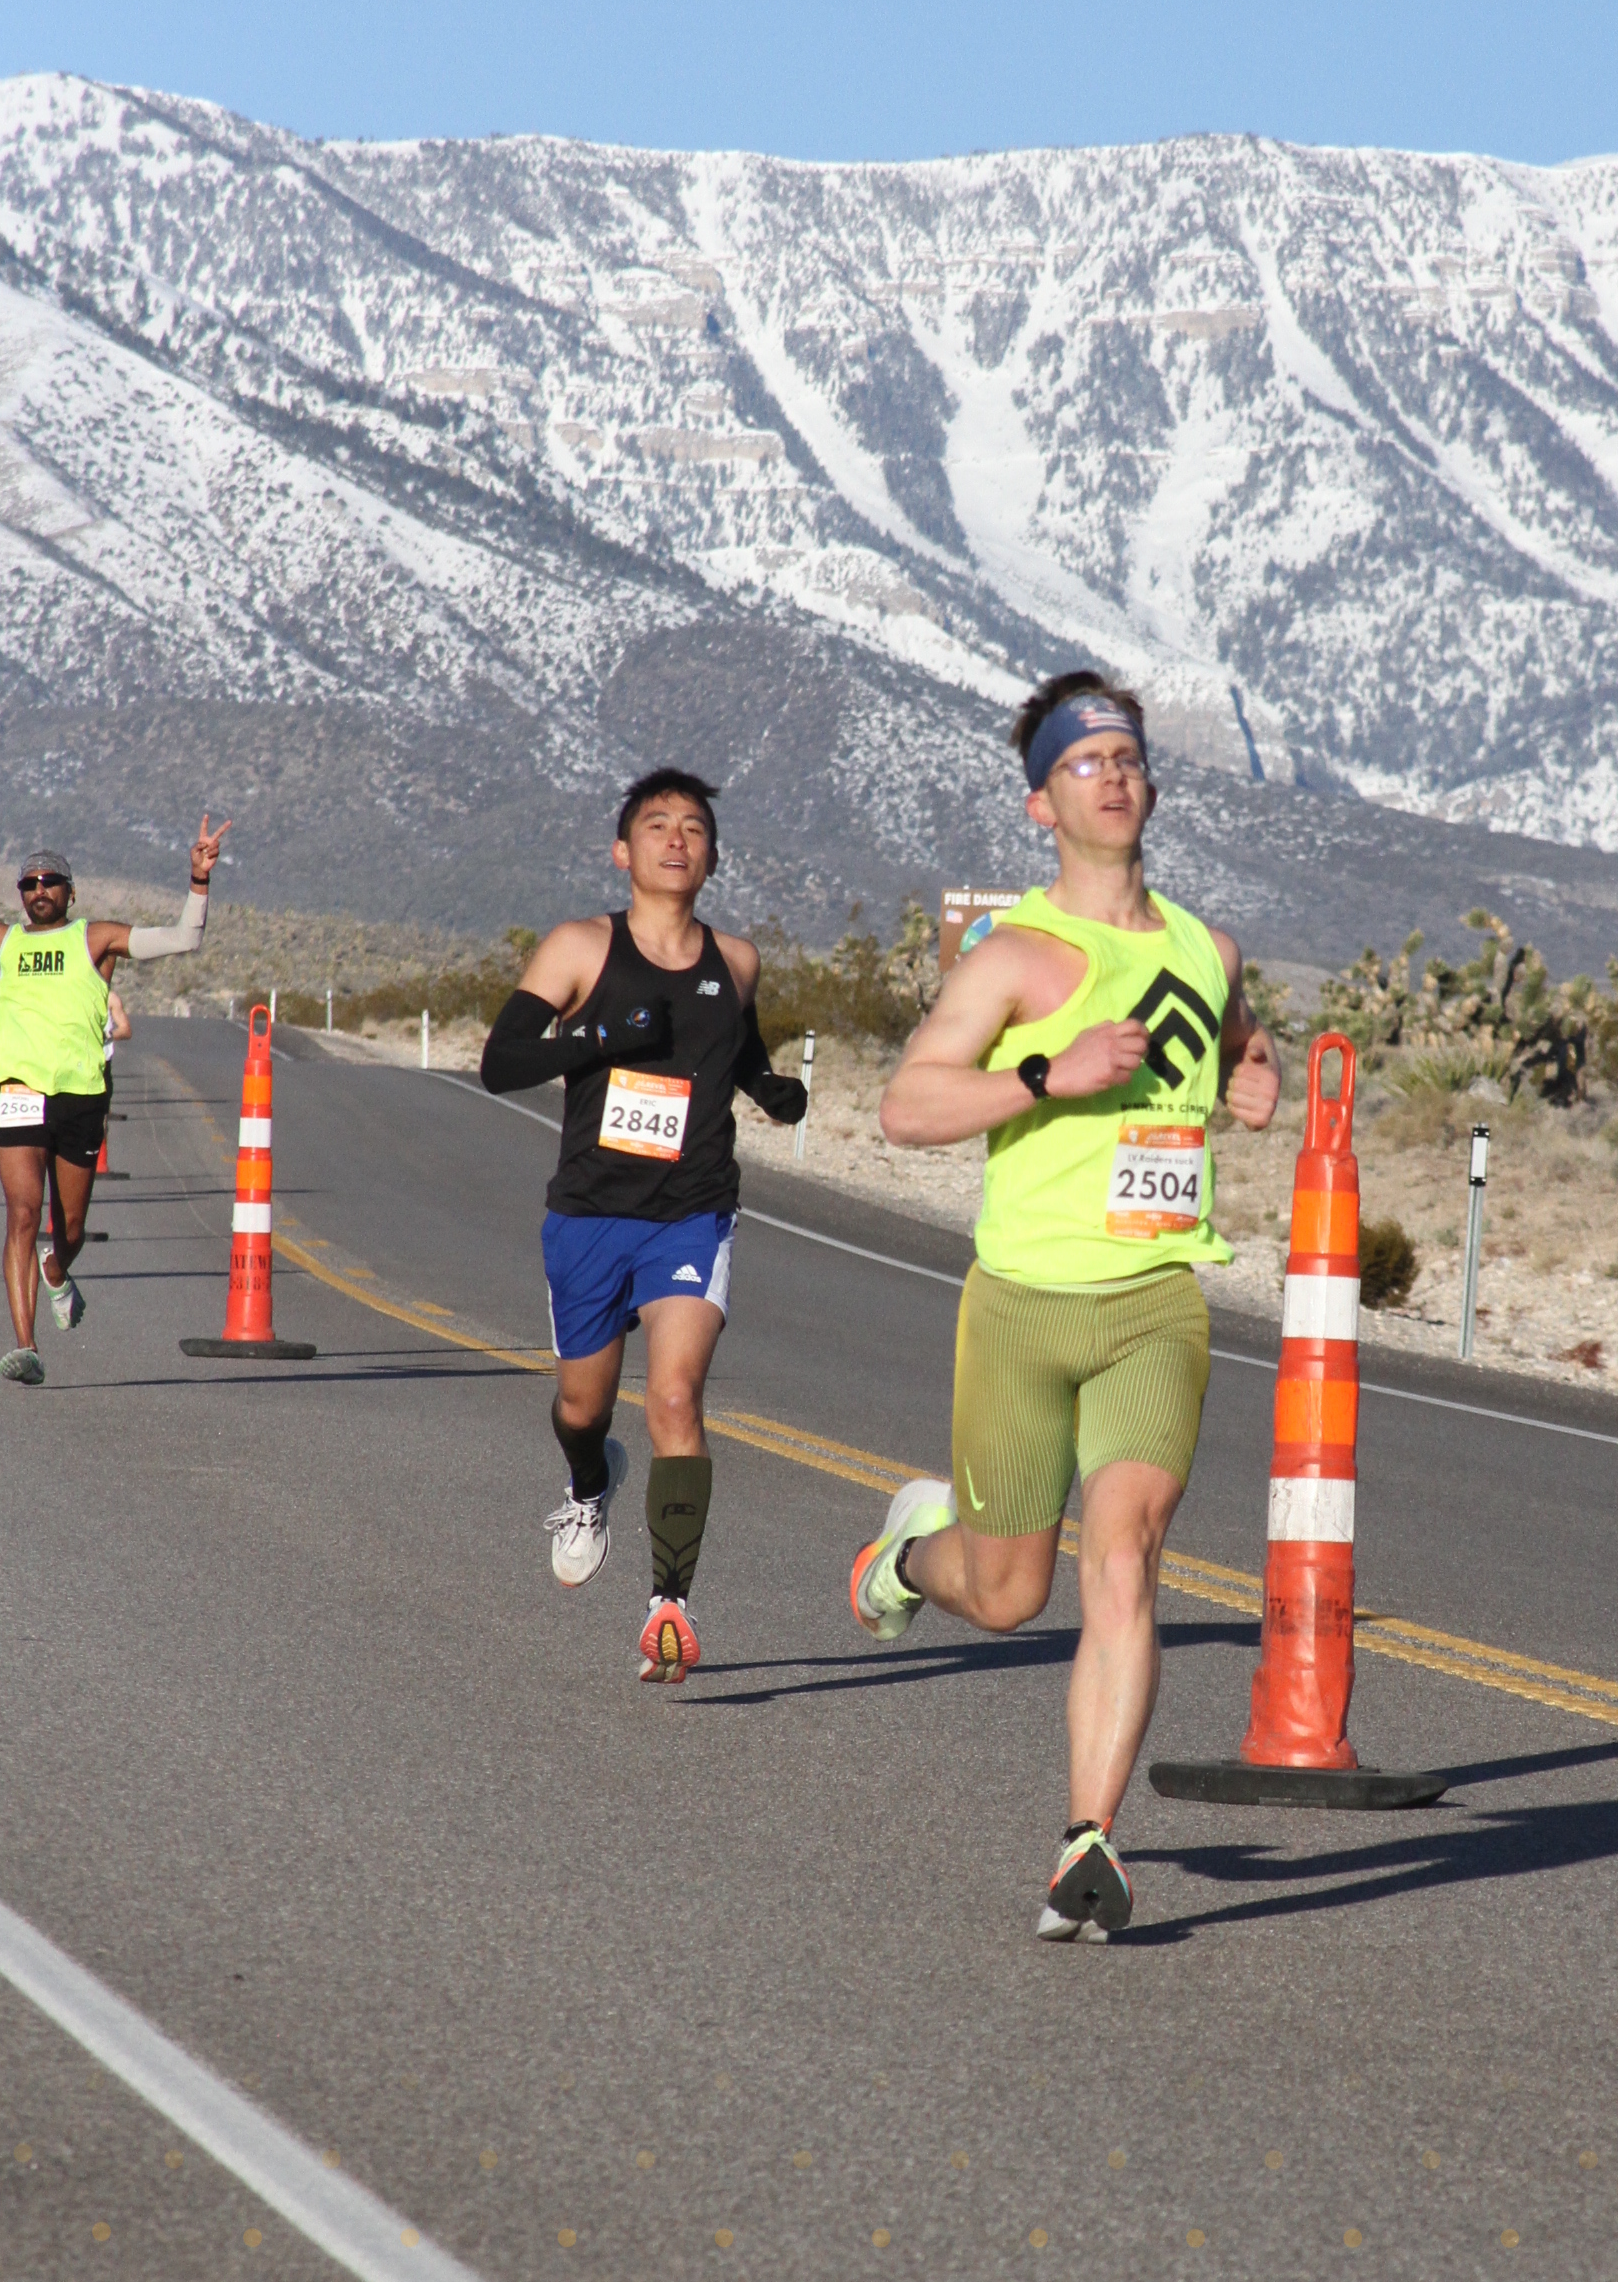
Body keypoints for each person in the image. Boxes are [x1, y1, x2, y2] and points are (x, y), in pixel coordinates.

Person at [849, 669, 1282, 1942]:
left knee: (1127, 1555)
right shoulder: (1018, 957)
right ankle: (903, 1557)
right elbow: (906, 1107)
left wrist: (1254, 1078)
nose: (1115, 776)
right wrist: (1049, 1072)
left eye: (1129, 757)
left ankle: (1087, 1839)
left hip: (1157, 1301)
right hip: (1024, 1306)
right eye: (1086, 762)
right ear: (1041, 802)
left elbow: (1239, 1040)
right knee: (1007, 1596)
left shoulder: (1207, 950)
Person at [479, 768, 806, 1685]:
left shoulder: (735, 961)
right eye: (657, 825)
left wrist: (768, 1087)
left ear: (713, 855)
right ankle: (590, 1484)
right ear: (622, 852)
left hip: (691, 1211)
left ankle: (670, 1605)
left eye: (694, 827)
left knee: (675, 1401)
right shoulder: (580, 946)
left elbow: (732, 1046)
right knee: (583, 1410)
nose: (676, 839)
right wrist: (600, 1037)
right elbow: (501, 1062)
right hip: (590, 1213)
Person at [0, 826, 227, 1382]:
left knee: (71, 1228)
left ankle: (57, 1270)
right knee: (23, 1214)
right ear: (20, 894)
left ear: (70, 892)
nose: (39, 889)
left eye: (50, 881)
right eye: (30, 882)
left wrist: (198, 880)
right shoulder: (5, 941)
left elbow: (183, 939)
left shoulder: (95, 937)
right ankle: (26, 1348)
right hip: (18, 1093)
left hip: (79, 1095)